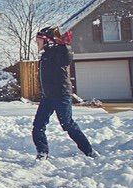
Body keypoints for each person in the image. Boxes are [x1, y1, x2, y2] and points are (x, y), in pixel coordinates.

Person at [32, 27, 97, 160]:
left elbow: (66, 59)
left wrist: (65, 45)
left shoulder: (59, 51)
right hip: (47, 97)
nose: (36, 43)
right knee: (38, 126)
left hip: (61, 96)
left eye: (38, 40)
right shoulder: (45, 54)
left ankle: (89, 151)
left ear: (48, 41)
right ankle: (42, 152)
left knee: (67, 124)